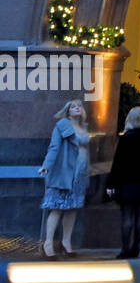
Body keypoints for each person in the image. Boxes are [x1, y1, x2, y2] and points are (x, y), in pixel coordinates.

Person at [37, 100, 91, 258]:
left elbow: (85, 151)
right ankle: (48, 243)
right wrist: (46, 166)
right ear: (68, 111)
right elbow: (54, 147)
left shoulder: (83, 127)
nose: (77, 108)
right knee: (57, 208)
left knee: (72, 208)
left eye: (79, 106)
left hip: (80, 174)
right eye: (73, 106)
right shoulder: (62, 126)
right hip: (64, 173)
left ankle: (66, 242)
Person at [106, 106, 140, 259]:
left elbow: (118, 163)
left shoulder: (126, 137)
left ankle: (125, 249)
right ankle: (136, 246)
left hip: (127, 181)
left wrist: (111, 184)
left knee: (127, 216)